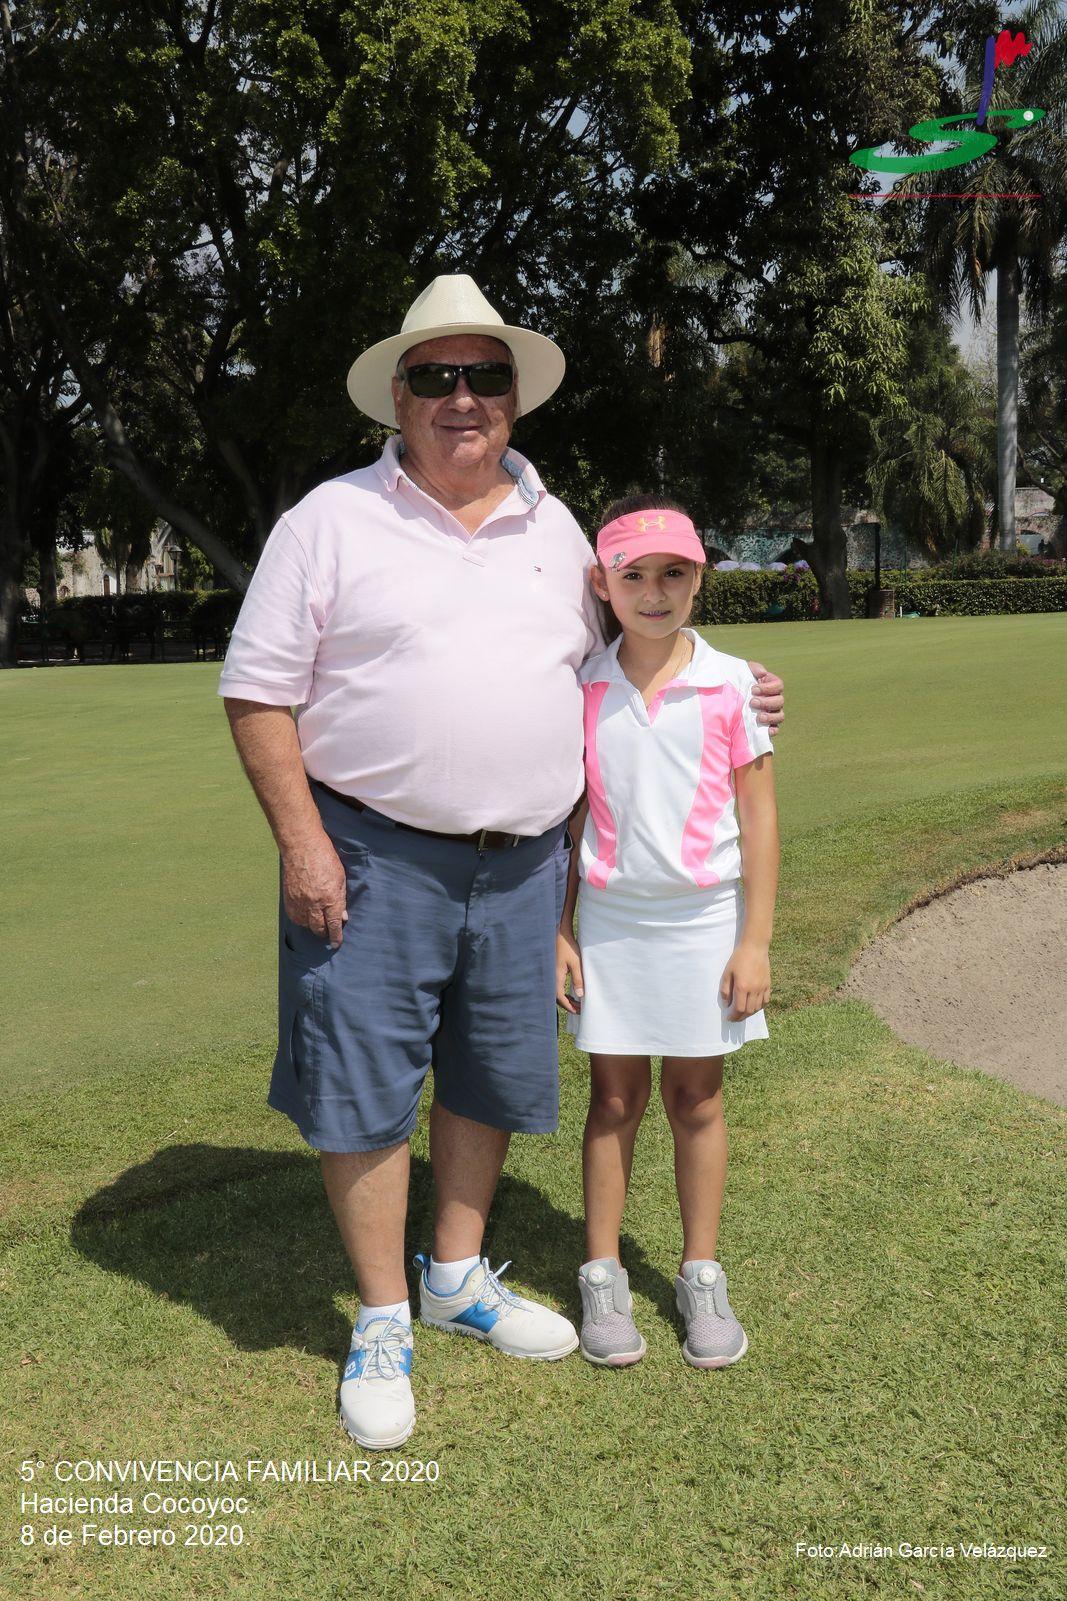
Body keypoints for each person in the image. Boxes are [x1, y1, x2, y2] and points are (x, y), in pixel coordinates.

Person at [218, 276, 785, 1449]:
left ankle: (455, 1274)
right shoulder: (328, 520)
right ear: (397, 395)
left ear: (513, 396)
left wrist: (735, 680)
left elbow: (631, 647)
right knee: (365, 1080)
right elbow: (257, 691)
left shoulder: (555, 525)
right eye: (436, 375)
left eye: (483, 375)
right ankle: (384, 1317)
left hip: (525, 864)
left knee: (486, 1071)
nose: (461, 396)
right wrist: (303, 843)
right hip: (370, 852)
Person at [556, 495, 779, 1370]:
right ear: (601, 583)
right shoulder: (581, 686)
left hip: (704, 921)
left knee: (697, 1099)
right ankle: (602, 1275)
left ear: (699, 579)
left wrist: (754, 940)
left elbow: (759, 819)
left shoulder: (732, 684)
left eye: (673, 574)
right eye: (634, 575)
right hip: (611, 922)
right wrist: (561, 928)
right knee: (613, 1100)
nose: (654, 593)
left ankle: (699, 1273)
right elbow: (568, 819)